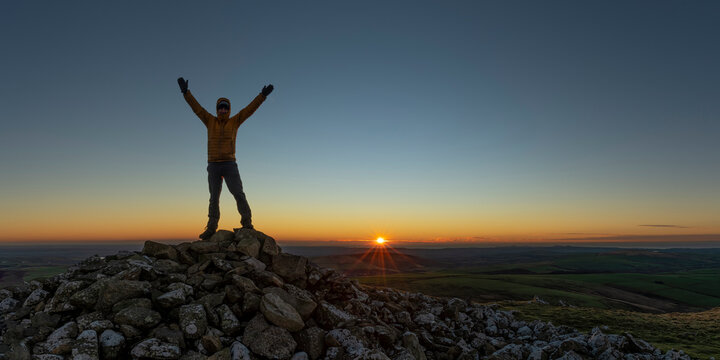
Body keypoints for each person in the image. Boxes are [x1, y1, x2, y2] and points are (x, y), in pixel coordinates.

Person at [177, 77, 274, 240]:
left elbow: (249, 110)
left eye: (225, 108)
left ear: (228, 109)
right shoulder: (210, 121)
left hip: (230, 165)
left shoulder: (234, 121)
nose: (222, 110)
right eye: (220, 108)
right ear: (217, 109)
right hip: (213, 165)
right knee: (214, 197)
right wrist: (186, 92)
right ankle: (211, 228)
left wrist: (262, 96)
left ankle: (247, 224)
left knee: (238, 194)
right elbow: (197, 108)